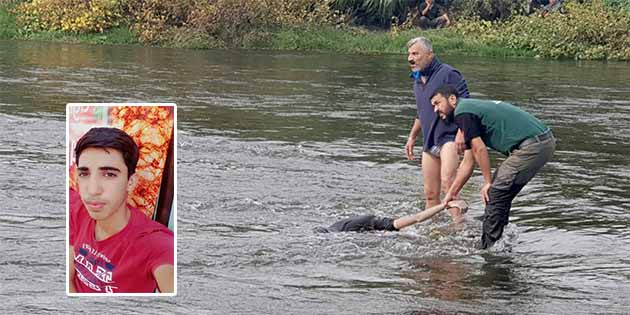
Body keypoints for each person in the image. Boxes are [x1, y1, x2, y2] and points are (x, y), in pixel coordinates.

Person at [430, 85, 556, 249]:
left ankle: (490, 249)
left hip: (533, 146)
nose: (435, 109)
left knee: (495, 191)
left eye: (437, 103)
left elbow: (480, 149)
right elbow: (468, 162)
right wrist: (451, 194)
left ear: (452, 99)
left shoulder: (463, 112)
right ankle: (501, 240)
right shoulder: (469, 112)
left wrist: (487, 182)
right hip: (542, 143)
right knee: (501, 193)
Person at [68, 127, 174, 293]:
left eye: (109, 174)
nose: (93, 190)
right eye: (84, 174)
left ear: (130, 182)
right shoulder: (77, 209)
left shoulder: (154, 244)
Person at [405, 36, 470, 223]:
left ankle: (460, 228)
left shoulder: (449, 73)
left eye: (416, 53)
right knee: (430, 193)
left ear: (430, 54)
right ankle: (431, 230)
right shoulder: (417, 80)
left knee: (449, 185)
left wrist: (462, 132)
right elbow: (421, 113)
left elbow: (467, 103)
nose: (411, 58)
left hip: (450, 137)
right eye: (409, 54)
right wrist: (411, 137)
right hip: (429, 140)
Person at [318, 200, 468, 233]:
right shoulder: (368, 223)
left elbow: (417, 218)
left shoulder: (373, 222)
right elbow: (416, 218)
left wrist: (443, 206)